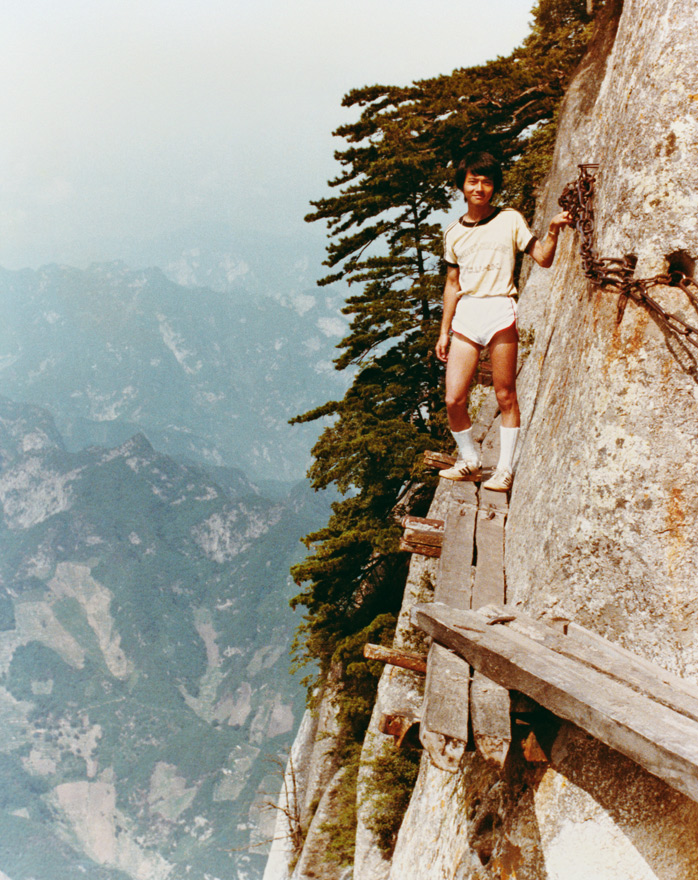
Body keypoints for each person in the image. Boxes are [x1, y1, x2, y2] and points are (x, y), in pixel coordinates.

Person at [435, 151, 571, 491]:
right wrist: (443, 331)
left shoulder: (509, 219)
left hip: (499, 309)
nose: (480, 188)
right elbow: (452, 284)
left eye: (487, 182)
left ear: (494, 186)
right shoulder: (453, 232)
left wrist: (553, 230)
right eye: (473, 181)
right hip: (467, 314)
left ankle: (505, 469)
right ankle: (469, 460)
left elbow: (543, 258)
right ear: (462, 186)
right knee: (454, 399)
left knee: (505, 394)